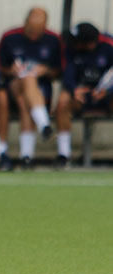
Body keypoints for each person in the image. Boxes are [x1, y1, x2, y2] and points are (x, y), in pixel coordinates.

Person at [0, 8, 62, 170]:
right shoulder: (9, 37)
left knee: (25, 101)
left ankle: (26, 157)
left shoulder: (54, 40)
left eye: (38, 31)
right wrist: (11, 71)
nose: (34, 35)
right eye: (31, 30)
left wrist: (45, 70)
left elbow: (60, 71)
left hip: (41, 91)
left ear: (45, 26)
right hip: (13, 86)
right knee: (27, 78)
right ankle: (44, 124)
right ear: (25, 23)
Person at [55, 22, 113, 167]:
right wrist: (73, 89)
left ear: (89, 43)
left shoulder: (109, 46)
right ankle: (64, 154)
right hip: (81, 95)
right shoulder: (71, 49)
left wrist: (108, 91)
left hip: (107, 95)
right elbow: (67, 71)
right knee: (63, 100)